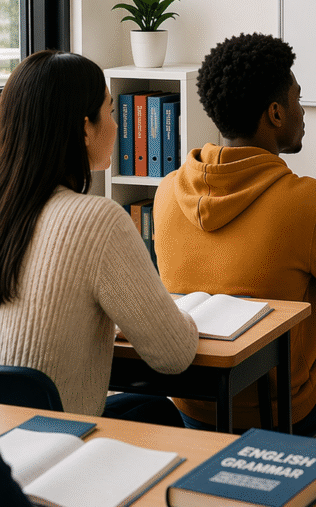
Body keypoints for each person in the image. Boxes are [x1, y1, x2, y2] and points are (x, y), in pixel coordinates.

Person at [154, 33, 316, 435]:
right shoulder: (309, 203)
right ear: (275, 113)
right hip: (285, 415)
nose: (303, 112)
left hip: (193, 407)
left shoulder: (167, 192)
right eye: (298, 100)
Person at [0, 50, 198, 423]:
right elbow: (174, 354)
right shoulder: (97, 220)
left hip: (8, 444)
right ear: (84, 127)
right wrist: (180, 317)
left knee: (148, 408)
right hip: (59, 446)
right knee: (163, 414)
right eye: (110, 111)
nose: (117, 126)